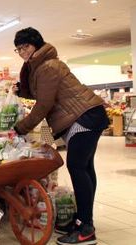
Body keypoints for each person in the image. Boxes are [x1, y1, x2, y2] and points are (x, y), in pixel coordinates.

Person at [12, 27, 109, 245]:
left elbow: (44, 104)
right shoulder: (40, 66)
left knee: (77, 166)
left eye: (25, 47)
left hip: (83, 117)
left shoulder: (48, 66)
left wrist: (21, 128)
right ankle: (83, 220)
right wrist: (21, 89)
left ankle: (86, 229)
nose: (22, 52)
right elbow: (38, 92)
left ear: (36, 44)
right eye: (18, 49)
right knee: (84, 167)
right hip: (86, 116)